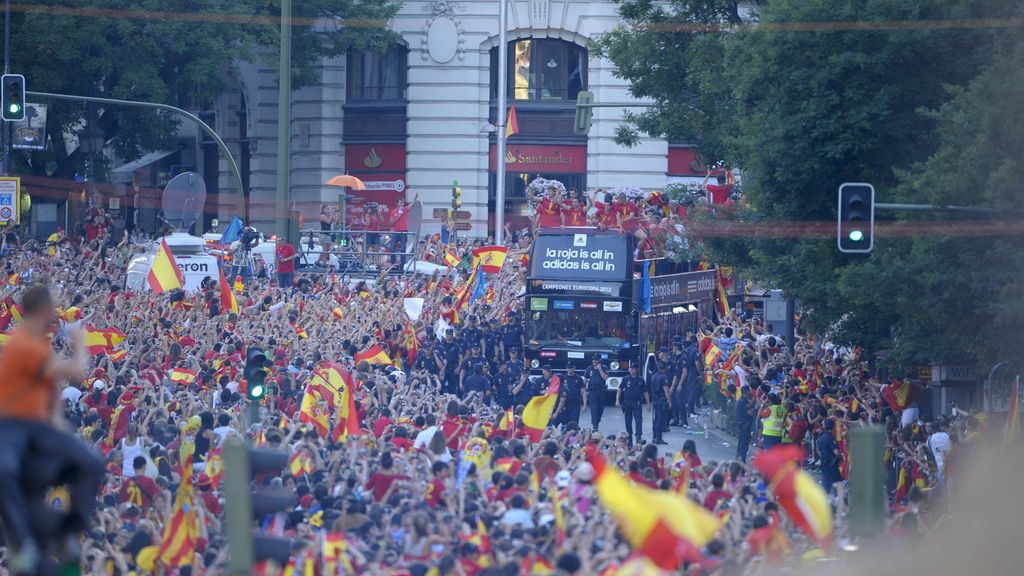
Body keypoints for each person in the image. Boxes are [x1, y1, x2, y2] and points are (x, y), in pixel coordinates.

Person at [0, 286, 101, 572]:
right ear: (43, 310)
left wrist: (60, 433)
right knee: (5, 471)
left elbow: (51, 395)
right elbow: (76, 371)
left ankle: (68, 533)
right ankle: (22, 543)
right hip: (9, 426)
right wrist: (81, 343)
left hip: (37, 428)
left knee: (90, 463)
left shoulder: (39, 346)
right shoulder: (24, 345)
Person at [617, 364, 648, 446]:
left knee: (638, 420)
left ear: (636, 370)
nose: (632, 370)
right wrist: (617, 400)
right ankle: (629, 438)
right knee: (628, 421)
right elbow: (620, 389)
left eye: (633, 368)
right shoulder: (625, 379)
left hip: (637, 402)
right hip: (627, 402)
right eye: (631, 368)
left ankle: (638, 437)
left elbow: (645, 391)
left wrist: (648, 403)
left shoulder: (641, 380)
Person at [553, 363, 584, 429]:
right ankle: (563, 438)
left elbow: (583, 392)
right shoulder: (563, 378)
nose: (569, 369)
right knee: (563, 426)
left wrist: (584, 404)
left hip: (575, 405)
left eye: (570, 368)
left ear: (574, 368)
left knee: (573, 425)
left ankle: (572, 439)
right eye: (568, 368)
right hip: (565, 407)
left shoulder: (578, 379)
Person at [816, 419, 842, 494]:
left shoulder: (820, 437)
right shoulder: (830, 438)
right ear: (833, 427)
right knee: (839, 485)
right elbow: (836, 452)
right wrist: (840, 458)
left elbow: (818, 451)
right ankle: (840, 502)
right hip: (832, 465)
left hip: (824, 464)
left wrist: (823, 457)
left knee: (825, 486)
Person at [584, 354, 608, 430]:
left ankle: (597, 422)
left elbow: (605, 377)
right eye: (593, 359)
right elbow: (585, 379)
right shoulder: (589, 368)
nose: (594, 361)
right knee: (594, 409)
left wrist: (600, 369)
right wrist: (584, 389)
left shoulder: (604, 367)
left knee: (600, 409)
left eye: (596, 359)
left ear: (599, 360)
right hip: (592, 391)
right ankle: (595, 426)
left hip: (601, 391)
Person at [651, 362, 672, 445]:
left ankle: (654, 436)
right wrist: (669, 401)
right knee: (660, 419)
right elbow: (666, 390)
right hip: (661, 400)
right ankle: (658, 438)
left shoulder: (654, 377)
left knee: (656, 419)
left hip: (655, 400)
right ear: (665, 368)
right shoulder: (664, 378)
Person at [735, 385, 755, 462]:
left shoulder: (743, 400)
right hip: (745, 425)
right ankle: (741, 459)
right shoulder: (743, 401)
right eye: (749, 390)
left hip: (743, 424)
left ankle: (739, 457)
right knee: (744, 443)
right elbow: (749, 412)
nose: (750, 392)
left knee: (741, 441)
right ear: (746, 391)